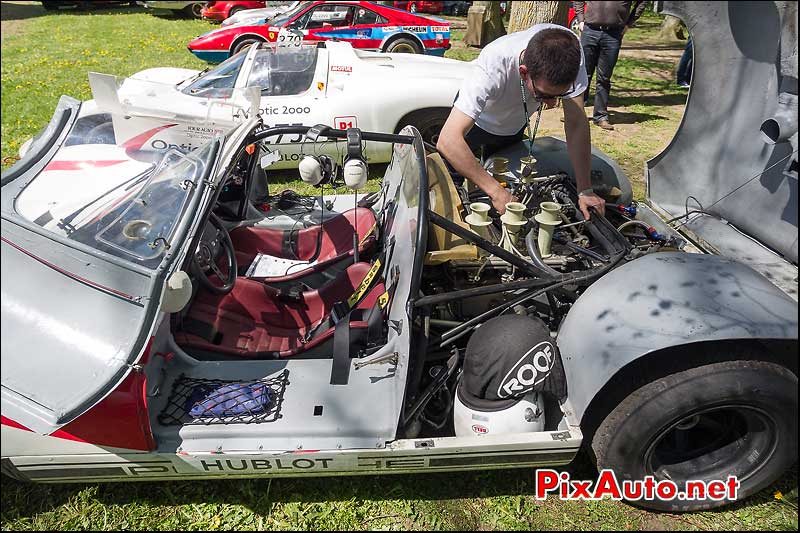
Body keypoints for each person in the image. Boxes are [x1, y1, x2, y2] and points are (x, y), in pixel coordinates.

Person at [437, 25, 605, 219]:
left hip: (514, 126)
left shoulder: (570, 52)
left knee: (505, 178)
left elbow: (576, 123)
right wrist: (496, 192)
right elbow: (448, 140)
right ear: (524, 72)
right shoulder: (493, 64)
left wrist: (585, 189)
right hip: (479, 122)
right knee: (453, 182)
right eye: (543, 94)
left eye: (561, 94)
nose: (551, 104)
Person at [574, 1, 646, 131]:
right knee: (584, 73)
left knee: (604, 78)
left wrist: (629, 23)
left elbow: (642, 2)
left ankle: (600, 116)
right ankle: (576, 112)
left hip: (613, 35)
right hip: (590, 30)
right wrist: (580, 19)